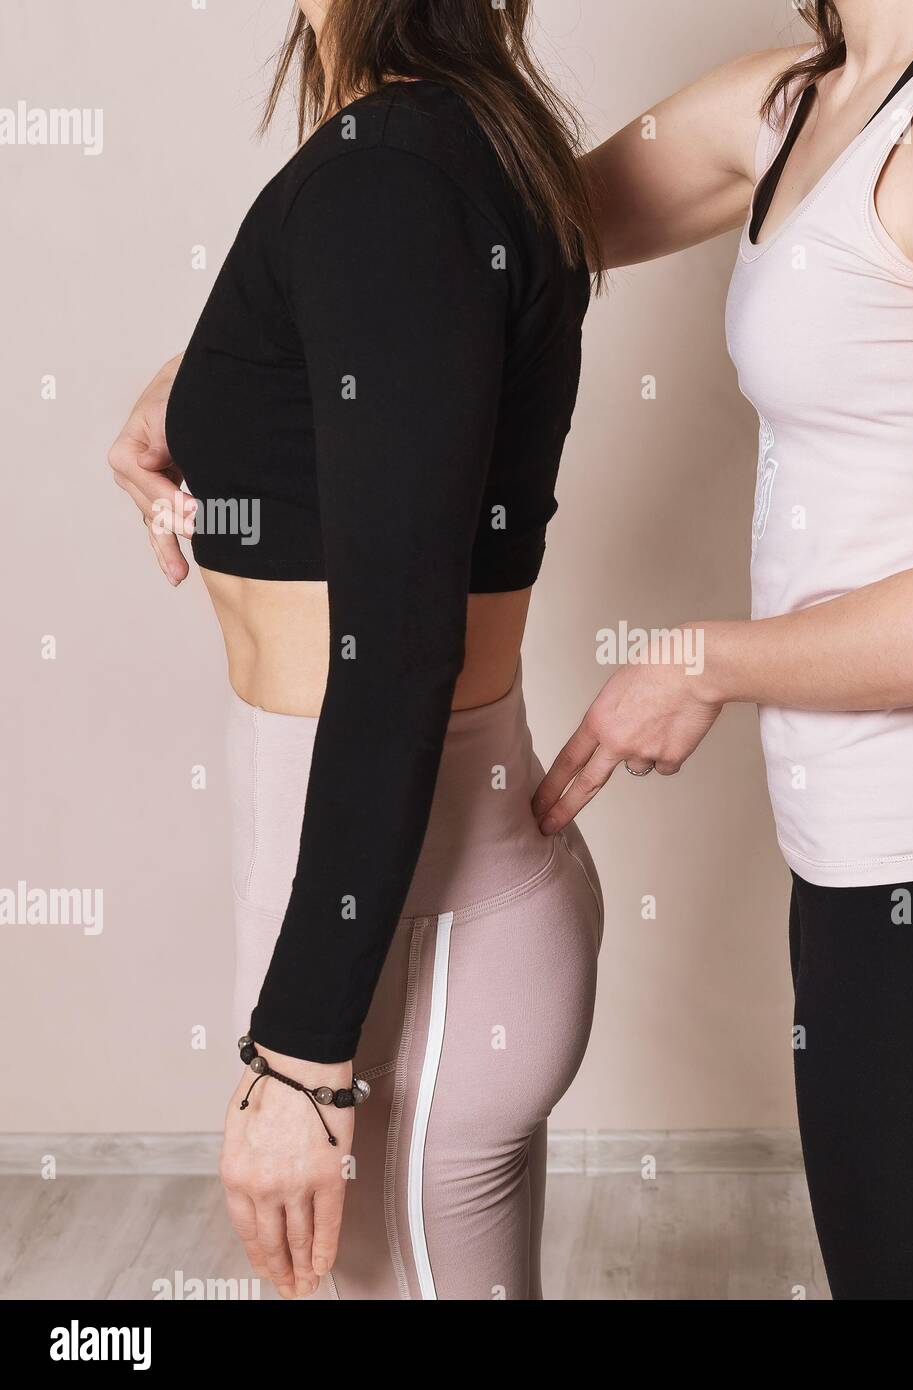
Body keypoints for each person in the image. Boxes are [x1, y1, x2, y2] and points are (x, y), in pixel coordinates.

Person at [534, 0, 913, 1298]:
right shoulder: (804, 98)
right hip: (858, 871)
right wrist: (215, 371)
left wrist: (701, 657)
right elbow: (497, 221)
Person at [110, 0, 602, 1301]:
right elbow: (388, 389)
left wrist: (301, 1058)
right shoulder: (460, 146)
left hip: (408, 930)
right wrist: (202, 392)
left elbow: (392, 653)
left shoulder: (387, 176)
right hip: (401, 896)